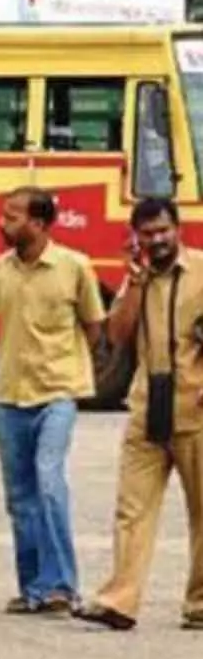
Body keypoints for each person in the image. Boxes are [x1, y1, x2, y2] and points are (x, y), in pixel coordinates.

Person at [74, 198, 203, 631]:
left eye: (163, 231)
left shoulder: (201, 272)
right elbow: (117, 336)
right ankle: (120, 601)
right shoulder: (137, 280)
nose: (157, 240)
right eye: (148, 234)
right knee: (133, 508)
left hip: (195, 406)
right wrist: (135, 284)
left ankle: (200, 604)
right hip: (148, 405)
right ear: (137, 238)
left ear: (177, 229)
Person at [0, 186, 104, 616]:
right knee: (20, 497)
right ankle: (34, 587)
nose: (3, 222)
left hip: (57, 392)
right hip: (10, 396)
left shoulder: (75, 267)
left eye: (13, 216)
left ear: (38, 224)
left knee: (49, 482)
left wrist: (75, 373)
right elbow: (3, 325)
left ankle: (61, 585)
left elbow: (94, 327)